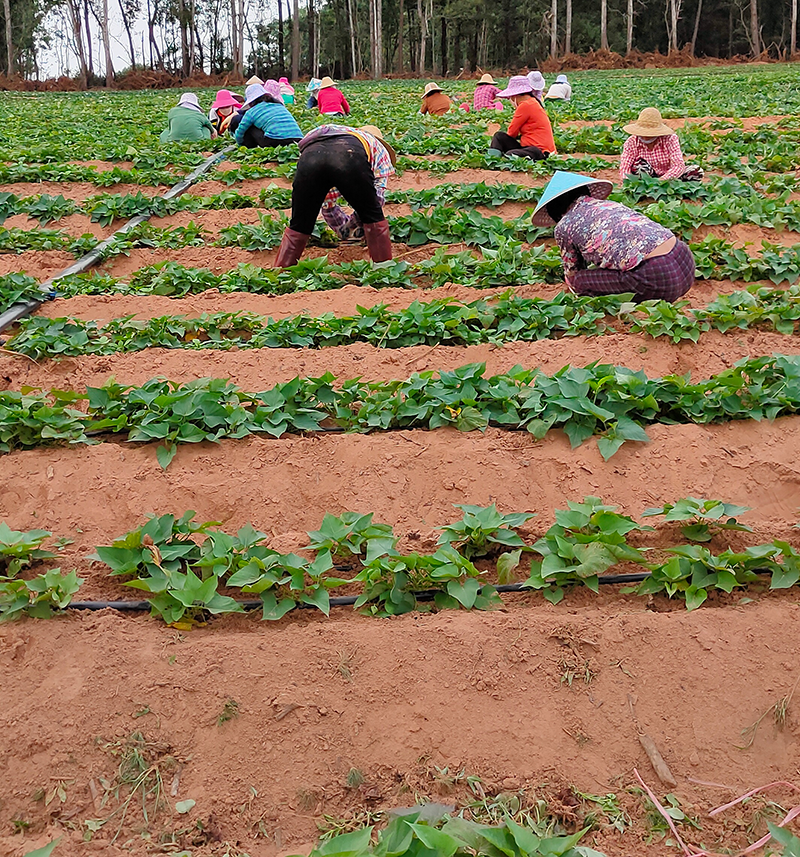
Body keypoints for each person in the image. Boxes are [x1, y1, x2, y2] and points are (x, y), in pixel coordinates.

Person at [532, 171, 695, 301]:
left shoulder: (564, 225)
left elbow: (573, 272)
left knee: (579, 281)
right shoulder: (610, 204)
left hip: (657, 277)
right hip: (684, 260)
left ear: (554, 208)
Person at [274, 124, 396, 267]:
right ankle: (384, 269)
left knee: (300, 224)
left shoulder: (330, 133)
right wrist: (354, 229)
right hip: (349, 156)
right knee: (372, 215)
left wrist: (344, 230)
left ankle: (281, 274)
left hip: (310, 157)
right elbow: (377, 198)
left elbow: (328, 206)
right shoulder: (376, 147)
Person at [620, 107, 704, 182]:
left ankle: (673, 187)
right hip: (645, 177)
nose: (645, 137)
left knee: (696, 171)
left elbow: (678, 165)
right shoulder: (632, 142)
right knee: (639, 166)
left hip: (668, 176)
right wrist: (627, 182)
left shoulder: (670, 139)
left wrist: (661, 181)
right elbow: (625, 167)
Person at [488, 76, 556, 160]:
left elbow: (512, 132)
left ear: (515, 96)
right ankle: (492, 160)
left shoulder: (525, 105)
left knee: (510, 152)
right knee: (500, 137)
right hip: (532, 148)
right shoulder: (533, 102)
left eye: (510, 97)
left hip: (540, 151)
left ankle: (492, 160)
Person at [233, 83, 303, 149]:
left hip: (276, 141)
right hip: (298, 140)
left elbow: (240, 132)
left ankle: (250, 148)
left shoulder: (251, 112)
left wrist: (240, 145)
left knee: (249, 127)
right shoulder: (278, 105)